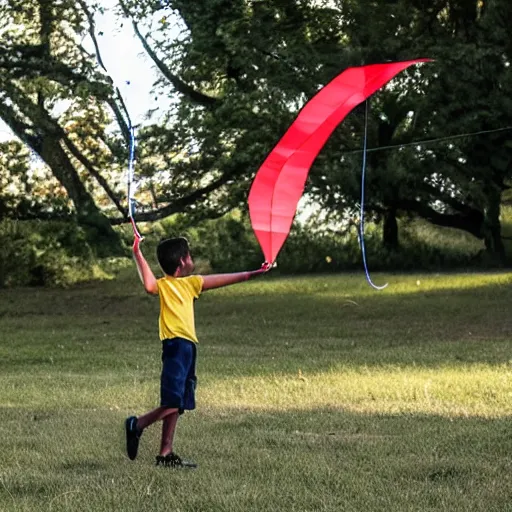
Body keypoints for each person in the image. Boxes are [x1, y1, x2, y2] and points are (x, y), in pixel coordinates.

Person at [125, 235, 270, 468]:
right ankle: (137, 424)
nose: (192, 259)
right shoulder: (163, 285)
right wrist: (137, 252)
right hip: (174, 346)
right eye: (189, 255)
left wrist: (254, 273)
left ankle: (165, 453)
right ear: (182, 262)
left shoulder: (191, 283)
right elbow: (149, 285)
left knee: (179, 402)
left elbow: (224, 279)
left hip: (189, 347)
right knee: (174, 400)